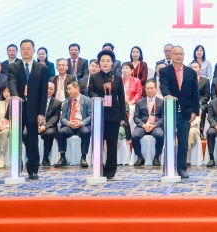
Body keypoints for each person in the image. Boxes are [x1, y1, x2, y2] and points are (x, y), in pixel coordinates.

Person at [7, 39, 50, 181]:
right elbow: (11, 82)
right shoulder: (13, 66)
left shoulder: (42, 68)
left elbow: (43, 92)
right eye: (23, 48)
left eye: (28, 48)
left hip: (34, 109)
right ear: (20, 50)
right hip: (17, 108)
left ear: (33, 50)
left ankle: (33, 170)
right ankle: (16, 167)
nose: (26, 51)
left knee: (32, 141)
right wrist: (15, 96)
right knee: (16, 140)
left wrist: (41, 113)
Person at [159, 46, 201, 179]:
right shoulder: (165, 71)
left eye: (180, 54)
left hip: (186, 111)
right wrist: (168, 96)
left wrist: (195, 110)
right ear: (171, 55)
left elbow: (195, 92)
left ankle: (182, 169)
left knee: (183, 142)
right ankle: (168, 167)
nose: (178, 56)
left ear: (184, 55)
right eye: (176, 54)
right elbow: (164, 86)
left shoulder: (191, 72)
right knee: (169, 141)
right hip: (170, 110)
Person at [88, 50, 127, 179]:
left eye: (108, 61)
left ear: (112, 63)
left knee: (112, 144)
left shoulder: (117, 78)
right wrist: (97, 98)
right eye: (102, 61)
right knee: (98, 144)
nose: (105, 63)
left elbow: (121, 98)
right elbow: (90, 92)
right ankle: (99, 168)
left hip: (114, 114)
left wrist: (122, 117)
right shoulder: (94, 77)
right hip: (99, 114)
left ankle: (110, 171)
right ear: (99, 62)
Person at [54, 80, 91, 168]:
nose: (68, 91)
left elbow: (91, 116)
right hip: (70, 126)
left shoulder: (87, 100)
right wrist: (68, 123)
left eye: (69, 89)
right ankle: (62, 157)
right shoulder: (67, 102)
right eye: (67, 89)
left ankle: (83, 157)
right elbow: (62, 118)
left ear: (77, 89)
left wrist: (82, 123)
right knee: (61, 132)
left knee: (86, 132)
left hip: (81, 125)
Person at [132, 79, 165, 166]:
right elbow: (136, 117)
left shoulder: (161, 102)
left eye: (151, 88)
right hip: (143, 126)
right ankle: (140, 157)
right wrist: (143, 125)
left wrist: (155, 125)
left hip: (156, 126)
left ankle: (156, 157)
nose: (149, 90)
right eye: (147, 88)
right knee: (134, 136)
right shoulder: (139, 102)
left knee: (160, 135)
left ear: (156, 89)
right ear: (145, 89)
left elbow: (163, 117)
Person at [189, 61, 210, 163]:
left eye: (196, 67)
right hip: (189, 103)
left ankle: (201, 131)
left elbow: (207, 95)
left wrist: (198, 102)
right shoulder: (186, 80)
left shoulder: (205, 81)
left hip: (201, 102)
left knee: (202, 108)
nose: (194, 69)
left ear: (200, 70)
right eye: (192, 67)